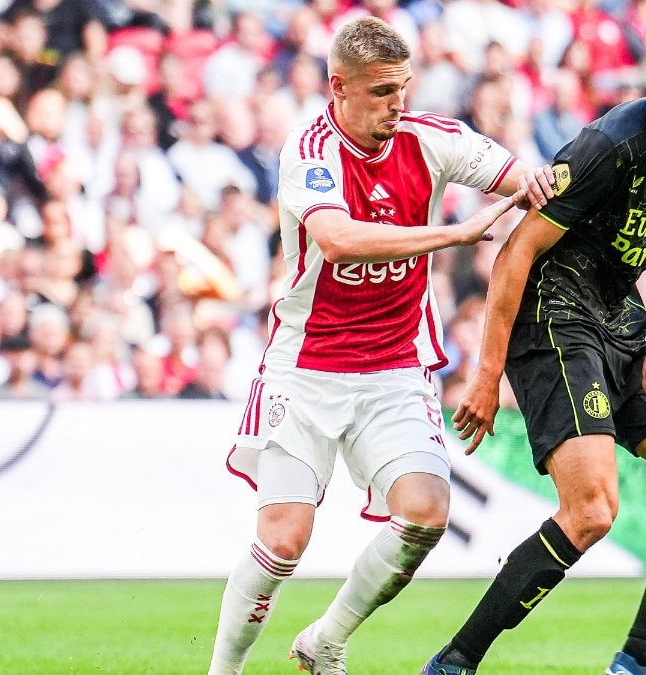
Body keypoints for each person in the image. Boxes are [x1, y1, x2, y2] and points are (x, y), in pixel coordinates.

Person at [206, 17, 555, 675]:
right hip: (305, 370)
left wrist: (547, 184)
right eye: (380, 91)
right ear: (338, 87)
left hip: (395, 369)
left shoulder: (433, 139)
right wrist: (453, 235)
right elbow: (338, 240)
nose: (396, 104)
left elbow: (527, 181)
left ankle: (326, 639)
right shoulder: (308, 150)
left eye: (402, 88)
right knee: (283, 541)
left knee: (426, 513)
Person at [423, 18, 646, 675]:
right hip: (551, 314)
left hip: (618, 314)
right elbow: (517, 251)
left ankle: (637, 662)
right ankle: (453, 663)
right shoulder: (612, 144)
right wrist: (487, 375)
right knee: (592, 510)